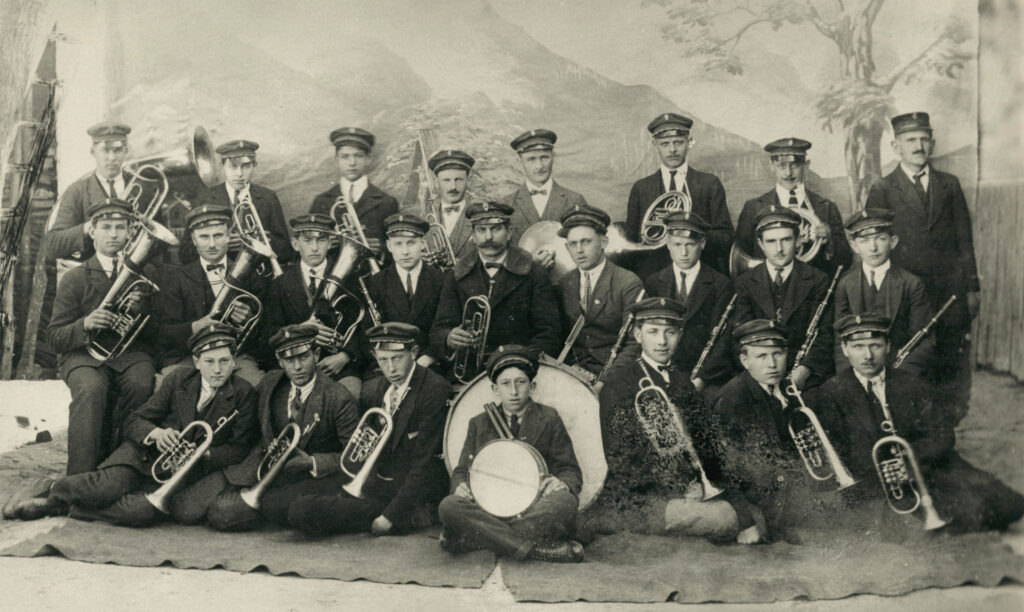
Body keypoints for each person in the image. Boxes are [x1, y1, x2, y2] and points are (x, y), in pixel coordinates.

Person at [4, 324, 257, 525]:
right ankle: (51, 488)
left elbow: (239, 448)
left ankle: (69, 506)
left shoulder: (243, 393)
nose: (217, 370)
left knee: (142, 512)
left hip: (178, 473)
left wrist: (203, 454)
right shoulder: (179, 379)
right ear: (196, 361)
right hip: (143, 457)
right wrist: (156, 434)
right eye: (209, 362)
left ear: (234, 361)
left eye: (224, 361)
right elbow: (135, 421)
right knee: (104, 488)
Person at [811, 313, 1023, 533]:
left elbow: (943, 435)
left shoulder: (910, 383)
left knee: (1006, 505)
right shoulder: (832, 391)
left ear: (888, 346)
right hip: (876, 480)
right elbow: (839, 450)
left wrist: (910, 458)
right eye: (857, 346)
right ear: (845, 349)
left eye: (875, 345)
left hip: (925, 466)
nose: (867, 355)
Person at [591, 298, 751, 541]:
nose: (662, 341)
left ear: (680, 334)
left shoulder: (682, 381)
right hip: (638, 498)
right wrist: (681, 488)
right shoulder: (618, 384)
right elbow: (620, 459)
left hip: (686, 490)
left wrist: (743, 515)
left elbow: (708, 447)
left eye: (670, 332)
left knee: (750, 516)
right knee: (724, 519)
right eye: (652, 332)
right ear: (637, 334)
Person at [865, 112, 980, 421]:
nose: (918, 146)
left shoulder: (949, 185)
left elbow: (964, 240)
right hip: (905, 295)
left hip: (949, 294)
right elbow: (873, 248)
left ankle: (946, 435)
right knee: (911, 362)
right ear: (896, 146)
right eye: (910, 140)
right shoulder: (884, 189)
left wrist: (972, 288)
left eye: (923, 139)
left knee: (949, 361)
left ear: (932, 143)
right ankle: (913, 434)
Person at [287, 322, 452, 535]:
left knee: (304, 511)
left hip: (407, 496)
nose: (390, 368)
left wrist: (389, 517)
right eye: (383, 360)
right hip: (375, 484)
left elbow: (424, 466)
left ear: (414, 353)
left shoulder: (433, 389)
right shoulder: (382, 386)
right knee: (292, 503)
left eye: (397, 359)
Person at [203, 323, 360, 531]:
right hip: (264, 468)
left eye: (303, 357)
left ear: (316, 354)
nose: (297, 367)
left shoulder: (339, 397)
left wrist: (312, 462)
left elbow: (355, 458)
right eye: (289, 359)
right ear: (279, 361)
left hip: (311, 478)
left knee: (231, 514)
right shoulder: (270, 382)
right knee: (197, 507)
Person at [438, 345, 584, 563]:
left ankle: (480, 538)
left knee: (565, 502)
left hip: (533, 505)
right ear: (495, 389)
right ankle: (535, 550)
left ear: (532, 386)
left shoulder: (549, 417)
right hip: (488, 504)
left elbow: (570, 469)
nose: (513, 391)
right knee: (448, 506)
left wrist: (563, 483)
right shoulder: (479, 422)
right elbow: (461, 470)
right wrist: (459, 486)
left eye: (521, 382)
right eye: (505, 384)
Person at [46, 198, 157, 475]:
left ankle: (123, 468)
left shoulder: (146, 273)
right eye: (106, 227)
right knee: (91, 388)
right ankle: (80, 477)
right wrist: (85, 323)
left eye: (120, 227)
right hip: (83, 356)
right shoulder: (75, 277)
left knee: (142, 382)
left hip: (130, 354)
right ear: (92, 232)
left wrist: (141, 309)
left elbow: (157, 330)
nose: (113, 234)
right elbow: (54, 337)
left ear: (131, 231)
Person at [713, 319, 841, 544]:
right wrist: (746, 523)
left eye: (777, 354)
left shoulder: (789, 391)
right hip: (756, 505)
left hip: (791, 496)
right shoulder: (732, 399)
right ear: (745, 360)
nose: (771, 364)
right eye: (761, 356)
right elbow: (722, 469)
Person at [431, 201, 561, 376]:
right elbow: (438, 329)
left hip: (519, 370)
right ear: (473, 236)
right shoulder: (457, 274)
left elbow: (549, 333)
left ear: (509, 232)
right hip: (471, 374)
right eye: (481, 230)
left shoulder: (534, 272)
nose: (488, 237)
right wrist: (448, 337)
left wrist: (522, 364)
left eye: (495, 229)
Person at [154, 204, 264, 386]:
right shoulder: (177, 277)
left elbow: (264, 331)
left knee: (254, 385)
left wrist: (249, 318)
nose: (212, 244)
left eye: (218, 235)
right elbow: (164, 333)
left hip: (235, 357)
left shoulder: (251, 275)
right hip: (190, 358)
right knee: (165, 386)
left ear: (228, 236)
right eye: (204, 237)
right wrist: (194, 327)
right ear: (193, 239)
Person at [733, 206, 834, 390]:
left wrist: (804, 370)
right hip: (758, 373)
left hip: (805, 376)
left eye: (786, 240)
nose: (779, 249)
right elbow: (742, 336)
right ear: (761, 244)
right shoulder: (745, 282)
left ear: (797, 241)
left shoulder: (818, 280)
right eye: (771, 241)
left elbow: (824, 336)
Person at [262, 214, 363, 397]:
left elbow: (363, 326)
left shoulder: (348, 279)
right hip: (295, 367)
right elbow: (268, 332)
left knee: (349, 396)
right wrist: (299, 329)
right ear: (295, 244)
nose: (315, 247)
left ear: (331, 242)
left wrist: (344, 356)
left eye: (321, 240)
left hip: (338, 367)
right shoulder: (280, 284)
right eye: (307, 240)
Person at [624, 113, 733, 279]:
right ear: (655, 145)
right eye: (665, 144)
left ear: (689, 142)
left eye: (678, 142)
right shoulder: (641, 188)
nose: (672, 149)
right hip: (653, 276)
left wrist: (689, 232)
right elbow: (631, 240)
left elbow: (726, 238)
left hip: (701, 274)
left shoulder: (710, 184)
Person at [833, 209, 934, 377]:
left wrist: (898, 380)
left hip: (899, 374)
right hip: (856, 375)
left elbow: (922, 343)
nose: (873, 247)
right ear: (854, 246)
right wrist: (851, 380)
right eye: (864, 240)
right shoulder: (844, 285)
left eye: (881, 239)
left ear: (893, 242)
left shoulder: (911, 284)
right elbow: (839, 341)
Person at [643, 211, 734, 395]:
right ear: (668, 244)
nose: (683, 252)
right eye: (677, 244)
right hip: (662, 370)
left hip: (705, 375)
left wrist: (701, 379)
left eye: (690, 245)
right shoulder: (654, 282)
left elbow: (723, 342)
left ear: (702, 243)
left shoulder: (720, 284)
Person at [734, 138, 850, 276]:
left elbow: (846, 261)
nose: (788, 173)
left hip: (814, 290)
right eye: (781, 166)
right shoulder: (753, 208)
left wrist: (829, 241)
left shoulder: (826, 207)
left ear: (806, 166)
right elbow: (742, 254)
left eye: (795, 166)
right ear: (771, 166)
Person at [553, 204, 643, 377]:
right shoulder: (565, 282)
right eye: (573, 244)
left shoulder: (628, 283)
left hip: (614, 375)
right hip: (571, 373)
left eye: (586, 242)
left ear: (604, 242)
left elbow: (635, 343)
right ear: (566, 248)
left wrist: (606, 380)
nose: (579, 250)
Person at [179, 139, 293, 267]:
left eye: (246, 166)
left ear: (254, 165)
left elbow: (287, 252)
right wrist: (219, 245)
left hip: (259, 280)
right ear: (222, 166)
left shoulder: (268, 198)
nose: (239, 174)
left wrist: (264, 243)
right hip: (220, 278)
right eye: (233, 166)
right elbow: (185, 254)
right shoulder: (204, 198)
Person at [44, 121, 133, 279]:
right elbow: (52, 246)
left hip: (133, 280)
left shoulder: (144, 187)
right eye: (105, 150)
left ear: (126, 151)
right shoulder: (77, 191)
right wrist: (88, 227)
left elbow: (160, 244)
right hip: (92, 281)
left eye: (117, 150)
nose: (111, 157)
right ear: (93, 152)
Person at [361, 214, 448, 374]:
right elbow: (368, 333)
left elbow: (445, 327)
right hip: (388, 367)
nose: (405, 251)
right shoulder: (376, 283)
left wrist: (429, 357)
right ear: (389, 246)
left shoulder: (441, 280)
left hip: (430, 365)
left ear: (422, 243)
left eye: (411, 243)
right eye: (398, 244)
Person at [502, 129, 590, 267]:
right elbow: (499, 254)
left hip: (565, 286)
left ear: (553, 156)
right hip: (522, 285)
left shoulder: (575, 201)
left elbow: (587, 249)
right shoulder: (505, 205)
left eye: (544, 157)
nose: (539, 166)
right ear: (519, 162)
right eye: (531, 159)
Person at [309, 127, 399, 261]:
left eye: (358, 156)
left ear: (368, 159)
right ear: (336, 160)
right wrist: (324, 244)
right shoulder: (322, 201)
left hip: (373, 279)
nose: (352, 163)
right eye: (345, 157)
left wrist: (380, 250)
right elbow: (309, 245)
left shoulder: (387, 202)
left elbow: (399, 247)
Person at [426, 149, 477, 261]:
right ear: (435, 181)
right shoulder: (425, 218)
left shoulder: (479, 215)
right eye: (446, 180)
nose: (452, 187)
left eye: (458, 180)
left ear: (468, 180)